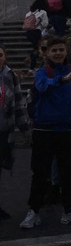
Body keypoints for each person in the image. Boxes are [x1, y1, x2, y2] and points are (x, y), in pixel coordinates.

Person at [20, 38, 71, 229]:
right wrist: (63, 79)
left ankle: (69, 210)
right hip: (44, 130)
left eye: (61, 50)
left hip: (67, 129)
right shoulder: (42, 72)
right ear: (47, 53)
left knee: (69, 173)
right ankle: (33, 211)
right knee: (40, 173)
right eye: (54, 50)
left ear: (66, 51)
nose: (58, 53)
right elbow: (42, 86)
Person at [0, 48, 30, 220]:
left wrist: (25, 128)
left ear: (5, 57)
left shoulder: (11, 76)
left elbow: (19, 103)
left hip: (3, 131)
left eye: (0, 54)